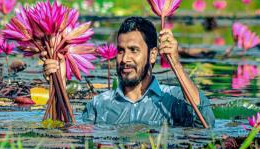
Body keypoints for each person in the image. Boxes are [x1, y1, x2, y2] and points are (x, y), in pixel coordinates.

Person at [43, 17, 215, 127]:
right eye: (120, 50)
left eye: (134, 50)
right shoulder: (99, 106)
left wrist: (176, 64)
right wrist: (57, 86)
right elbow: (61, 134)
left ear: (153, 55)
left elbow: (206, 123)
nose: (125, 59)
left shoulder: (173, 100)